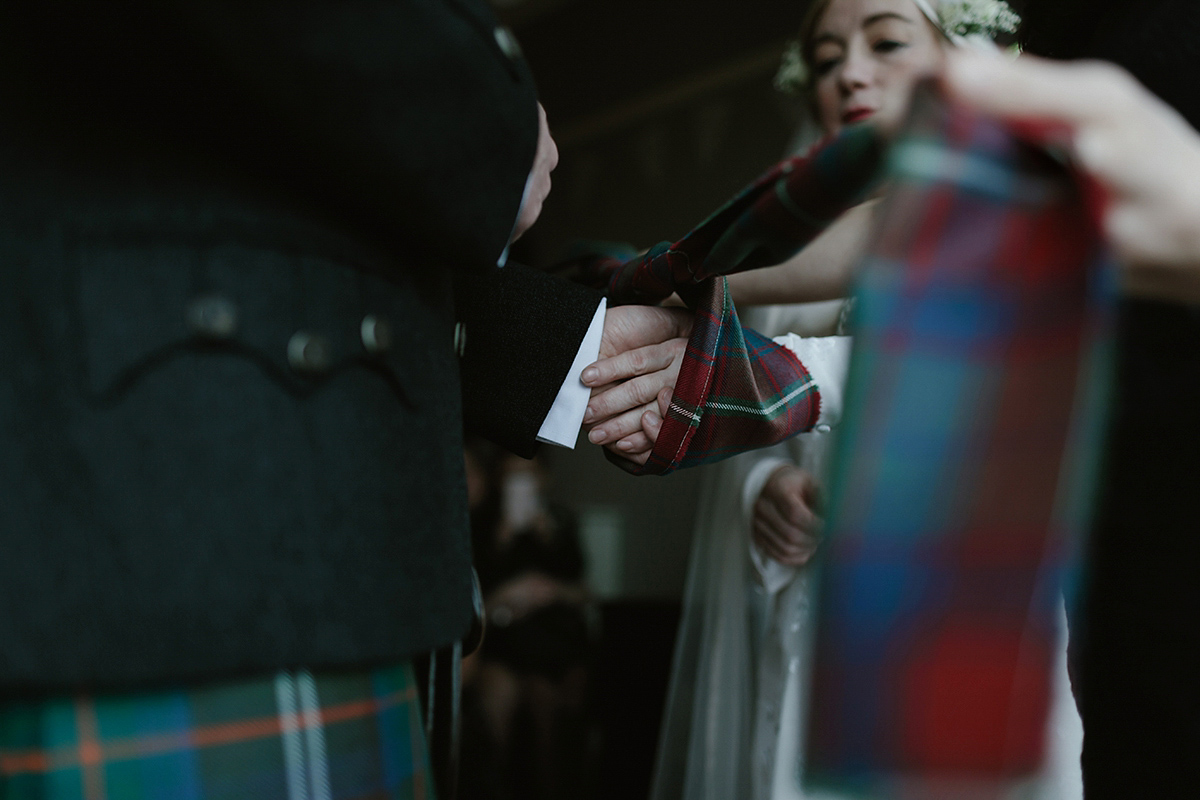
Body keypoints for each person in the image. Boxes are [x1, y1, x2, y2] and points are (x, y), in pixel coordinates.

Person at [0, 4, 686, 798]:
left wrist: (565, 348)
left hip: (269, 539)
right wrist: (488, 124)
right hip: (184, 549)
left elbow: (290, 198)